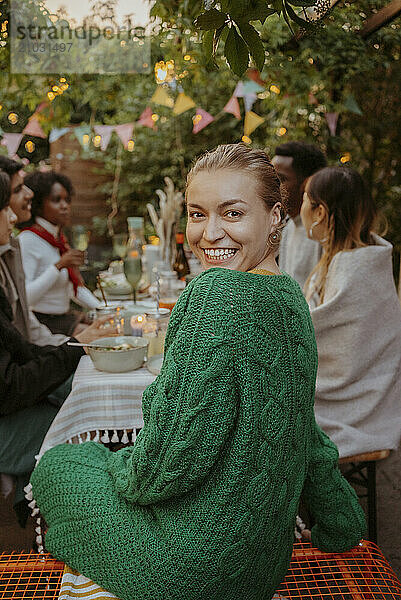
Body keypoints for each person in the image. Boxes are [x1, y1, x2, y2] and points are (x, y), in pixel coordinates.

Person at [31, 145, 365, 600]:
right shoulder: (290, 298)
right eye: (196, 213)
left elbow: (164, 467)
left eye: (231, 213)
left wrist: (117, 471)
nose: (209, 233)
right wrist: (340, 517)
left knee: (61, 463)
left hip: (193, 572)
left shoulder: (213, 295)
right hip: (261, 568)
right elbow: (304, 431)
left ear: (274, 218)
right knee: (98, 462)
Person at [0, 172, 118, 526]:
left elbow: (21, 346)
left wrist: (76, 346)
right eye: (5, 205)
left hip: (37, 356)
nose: (12, 216)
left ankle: (33, 517)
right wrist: (75, 347)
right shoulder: (28, 243)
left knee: (81, 396)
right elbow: (10, 387)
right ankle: (81, 522)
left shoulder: (21, 245)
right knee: (84, 421)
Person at [301, 166, 401, 457]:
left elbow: (331, 345)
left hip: (356, 409)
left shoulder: (352, 268)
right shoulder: (358, 258)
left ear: (320, 212)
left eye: (306, 199)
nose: (301, 207)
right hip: (371, 399)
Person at [19, 171, 101, 336]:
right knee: (101, 338)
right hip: (43, 322)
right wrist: (59, 265)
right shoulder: (28, 240)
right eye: (56, 200)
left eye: (67, 200)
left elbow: (74, 289)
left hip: (64, 316)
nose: (65, 206)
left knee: (109, 327)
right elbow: (25, 299)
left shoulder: (57, 239)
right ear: (38, 204)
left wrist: (104, 309)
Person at [0, 156, 69, 346]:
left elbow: (26, 322)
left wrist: (68, 346)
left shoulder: (11, 245)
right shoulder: (26, 241)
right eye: (17, 190)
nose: (29, 194)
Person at [272, 141, 327, 288]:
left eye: (281, 179)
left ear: (308, 183)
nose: (273, 187)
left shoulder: (324, 233)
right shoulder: (288, 227)